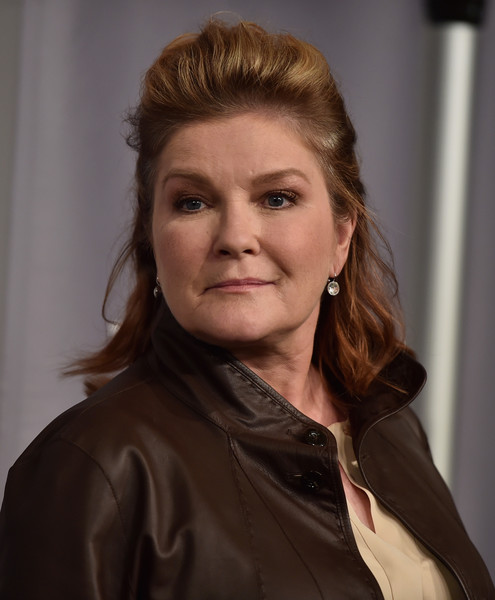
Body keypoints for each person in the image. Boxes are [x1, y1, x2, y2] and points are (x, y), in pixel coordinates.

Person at [0, 19, 493, 600]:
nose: (235, 237)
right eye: (193, 202)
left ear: (341, 235)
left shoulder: (391, 429)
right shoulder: (91, 464)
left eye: (277, 198)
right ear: (152, 240)